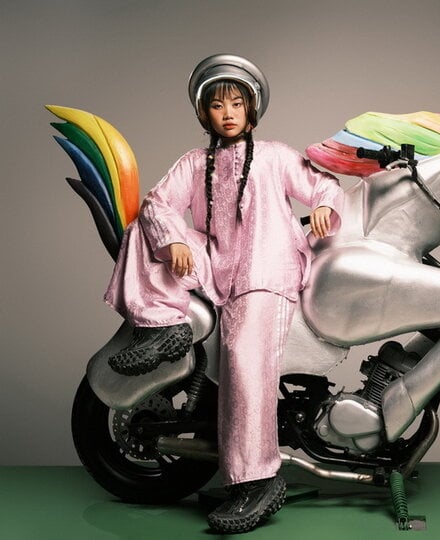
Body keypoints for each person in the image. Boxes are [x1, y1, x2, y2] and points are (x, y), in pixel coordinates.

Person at [103, 54, 344, 534]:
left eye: (237, 103)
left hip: (266, 271)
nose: (228, 113)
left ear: (251, 109)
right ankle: (163, 324)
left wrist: (322, 205)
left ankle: (257, 480)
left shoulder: (275, 155)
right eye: (217, 106)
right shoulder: (195, 163)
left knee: (243, 357)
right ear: (204, 114)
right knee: (142, 225)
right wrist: (173, 240)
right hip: (215, 263)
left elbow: (324, 184)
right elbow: (158, 204)